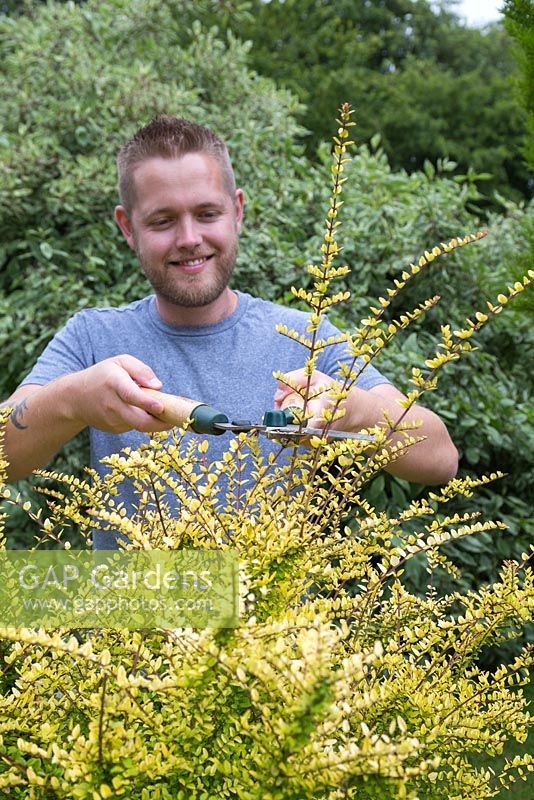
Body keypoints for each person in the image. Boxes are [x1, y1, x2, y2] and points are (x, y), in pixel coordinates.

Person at [2, 116, 458, 546]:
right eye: (162, 220)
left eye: (207, 213)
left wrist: (353, 408)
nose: (188, 238)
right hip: (131, 616)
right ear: (128, 227)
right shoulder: (92, 338)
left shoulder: (308, 337)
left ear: (237, 211)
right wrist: (70, 400)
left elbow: (440, 460)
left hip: (278, 625)